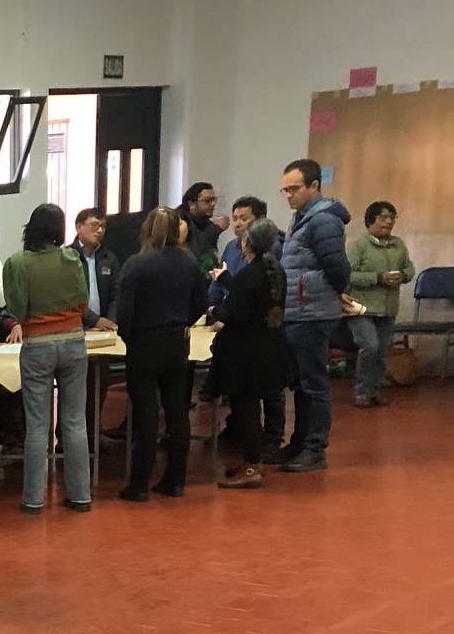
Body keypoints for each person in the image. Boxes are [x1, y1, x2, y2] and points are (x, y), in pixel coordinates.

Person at [0, 203, 104, 515]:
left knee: (37, 424)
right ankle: (80, 495)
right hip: (73, 341)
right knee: (75, 421)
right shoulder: (71, 258)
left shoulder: (18, 262)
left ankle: (33, 499)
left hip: (37, 343)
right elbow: (82, 303)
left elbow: (16, 307)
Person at [114, 207, 211, 501]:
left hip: (144, 344)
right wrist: (180, 323)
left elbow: (124, 310)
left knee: (146, 415)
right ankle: (175, 480)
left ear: (146, 230)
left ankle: (139, 483)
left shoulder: (136, 264)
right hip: (176, 343)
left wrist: (128, 336)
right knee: (177, 413)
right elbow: (200, 304)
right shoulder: (188, 263)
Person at [277, 158, 351, 473]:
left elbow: (338, 267)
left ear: (314, 186)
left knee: (314, 384)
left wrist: (332, 292)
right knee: (301, 383)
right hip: (299, 311)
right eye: (284, 190)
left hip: (311, 312)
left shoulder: (323, 221)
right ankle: (300, 443)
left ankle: (315, 449)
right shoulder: (302, 218)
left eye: (294, 189)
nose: (288, 195)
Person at [211, 219, 288, 490]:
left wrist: (216, 311)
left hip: (245, 354)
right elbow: (251, 297)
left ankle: (251, 466)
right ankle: (252, 463)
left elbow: (236, 314)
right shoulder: (274, 270)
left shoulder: (249, 274)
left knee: (246, 411)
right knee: (253, 407)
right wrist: (226, 279)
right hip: (269, 348)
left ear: (246, 243)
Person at [347, 200, 415, 409]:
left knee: (382, 350)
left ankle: (374, 390)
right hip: (362, 308)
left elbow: (409, 268)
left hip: (388, 307)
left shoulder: (398, 245)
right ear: (370, 220)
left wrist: (403, 276)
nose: (388, 222)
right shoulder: (358, 246)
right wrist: (378, 278)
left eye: (392, 218)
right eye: (383, 217)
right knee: (370, 346)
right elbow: (348, 275)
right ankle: (362, 392)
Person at [73, 207, 121, 321]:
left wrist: (111, 321)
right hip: (76, 323)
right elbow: (68, 297)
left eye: (103, 226)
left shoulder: (109, 258)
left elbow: (116, 293)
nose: (100, 230)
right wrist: (94, 321)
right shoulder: (68, 257)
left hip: (105, 324)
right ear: (79, 227)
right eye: (94, 225)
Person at [178, 181, 228, 268]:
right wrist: (216, 228)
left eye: (214, 200)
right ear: (192, 204)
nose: (213, 204)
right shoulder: (181, 220)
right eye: (207, 201)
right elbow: (196, 248)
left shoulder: (205, 222)